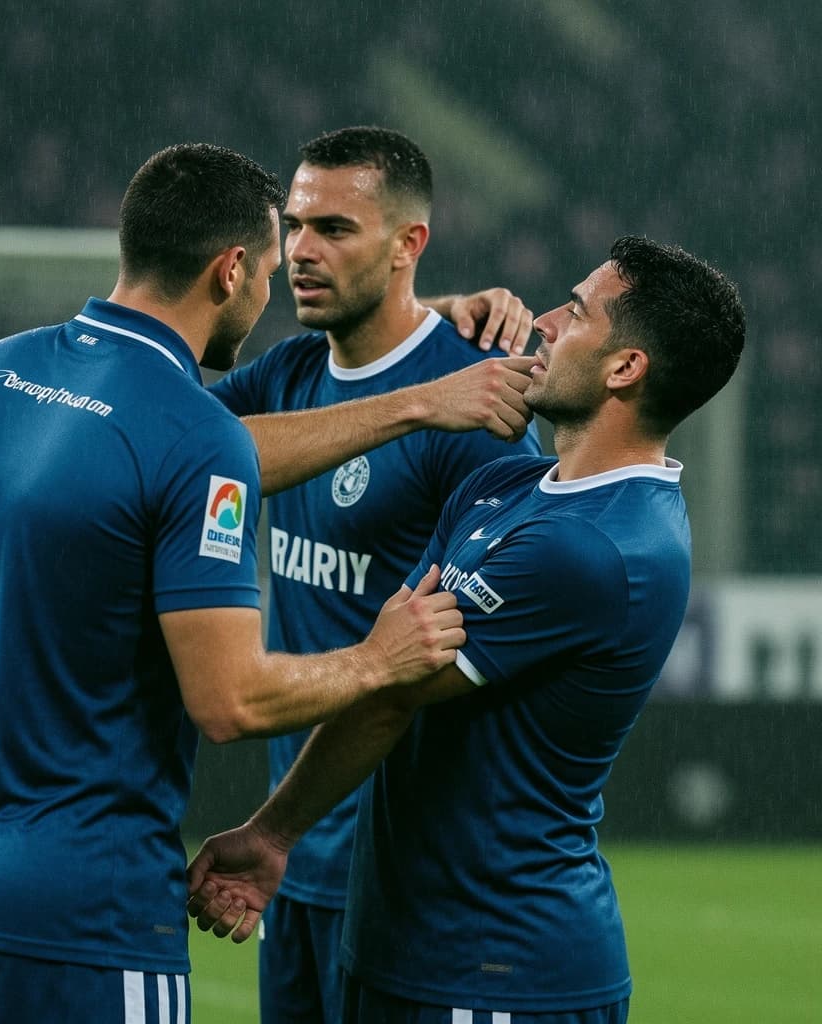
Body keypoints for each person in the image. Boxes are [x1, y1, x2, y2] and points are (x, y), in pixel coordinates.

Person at [0, 142, 471, 1024]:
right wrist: (376, 658)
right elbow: (229, 700)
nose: (287, 272)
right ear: (233, 269)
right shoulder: (197, 435)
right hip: (73, 917)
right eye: (280, 248)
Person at [187, 235, 746, 1024]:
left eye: (576, 311)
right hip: (411, 945)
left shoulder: (593, 545)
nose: (543, 321)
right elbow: (398, 642)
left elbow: (393, 685)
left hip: (497, 966)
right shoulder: (504, 483)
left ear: (626, 369)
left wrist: (274, 832)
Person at [207, 125, 542, 1024]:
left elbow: (450, 662)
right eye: (295, 224)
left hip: (411, 873)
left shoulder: (481, 406)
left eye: (336, 229)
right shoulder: (289, 373)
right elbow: (153, 447)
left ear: (408, 245)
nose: (302, 250)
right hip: (295, 861)